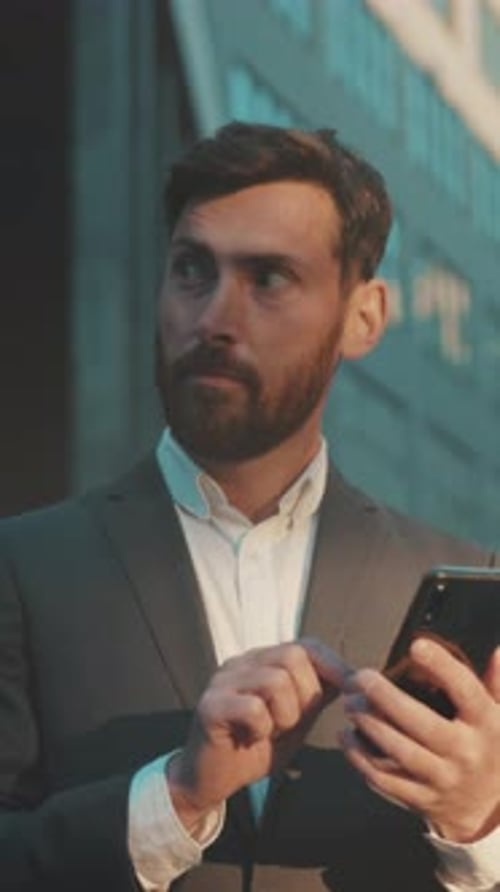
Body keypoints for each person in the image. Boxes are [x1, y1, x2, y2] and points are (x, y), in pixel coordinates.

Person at [0, 121, 499, 892]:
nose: (214, 319)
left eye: (268, 278)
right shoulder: (23, 570)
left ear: (364, 316)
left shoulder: (462, 577)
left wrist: (478, 826)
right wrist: (175, 799)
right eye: (192, 271)